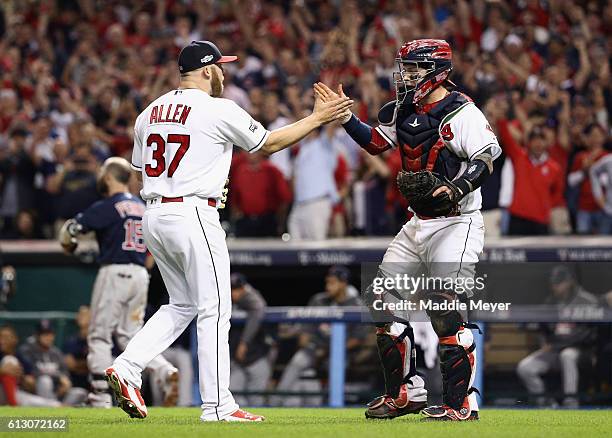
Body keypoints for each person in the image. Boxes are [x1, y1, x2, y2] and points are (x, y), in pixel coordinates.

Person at [104, 40, 352, 422]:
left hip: (154, 213)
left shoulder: (149, 112)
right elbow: (269, 144)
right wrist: (317, 118)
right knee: (215, 308)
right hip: (193, 213)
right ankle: (219, 406)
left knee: (181, 304)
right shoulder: (217, 108)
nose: (223, 72)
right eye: (220, 66)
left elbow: (140, 167)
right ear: (206, 70)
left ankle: (127, 367)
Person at [316, 39, 501, 421]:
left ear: (436, 70)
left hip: (457, 220)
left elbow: (487, 157)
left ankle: (462, 402)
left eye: (413, 68)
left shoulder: (461, 110)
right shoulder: (403, 108)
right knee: (381, 301)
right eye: (405, 68)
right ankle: (405, 393)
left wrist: (456, 186)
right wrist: (346, 118)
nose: (406, 75)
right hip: (418, 221)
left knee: (444, 308)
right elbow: (376, 144)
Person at [58, 157, 178, 409]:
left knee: (99, 335)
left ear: (110, 177)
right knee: (130, 336)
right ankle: (165, 371)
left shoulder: (107, 206)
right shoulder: (144, 207)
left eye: (104, 173)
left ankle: (99, 396)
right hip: (140, 275)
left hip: (115, 271)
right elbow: (156, 251)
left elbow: (71, 231)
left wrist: (69, 239)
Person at [273, 266, 367, 407]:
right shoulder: (319, 300)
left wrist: (330, 351)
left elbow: (358, 339)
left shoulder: (356, 305)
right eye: (327, 282)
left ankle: (332, 405)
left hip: (341, 352)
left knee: (336, 364)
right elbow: (306, 332)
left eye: (332, 283)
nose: (328, 287)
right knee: (298, 362)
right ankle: (276, 403)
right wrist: (312, 347)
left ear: (343, 283)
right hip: (315, 349)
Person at [517, 266, 598, 407]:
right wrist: (546, 341)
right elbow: (543, 328)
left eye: (559, 283)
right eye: (554, 283)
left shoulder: (587, 301)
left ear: (570, 282)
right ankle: (545, 403)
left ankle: (570, 403)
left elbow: (587, 335)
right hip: (555, 350)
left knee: (567, 355)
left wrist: (556, 344)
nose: (556, 286)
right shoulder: (551, 302)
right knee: (525, 367)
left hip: (581, 352)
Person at [18, 320, 86, 405]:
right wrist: (58, 377)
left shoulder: (56, 353)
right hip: (37, 392)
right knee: (45, 380)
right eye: (44, 334)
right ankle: (52, 407)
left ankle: (58, 408)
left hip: (57, 392)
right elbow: (32, 372)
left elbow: (65, 373)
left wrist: (65, 384)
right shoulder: (27, 351)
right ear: (37, 336)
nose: (48, 337)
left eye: (50, 334)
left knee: (80, 392)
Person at [229, 273, 271, 407]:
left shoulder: (252, 298)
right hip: (237, 362)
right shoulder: (222, 300)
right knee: (232, 396)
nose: (233, 293)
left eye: (236, 289)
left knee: (256, 401)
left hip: (257, 359)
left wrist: (244, 343)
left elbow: (259, 306)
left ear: (243, 288)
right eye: (230, 289)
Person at [568, 124, 609, 234]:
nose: (595, 139)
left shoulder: (608, 157)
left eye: (598, 135)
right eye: (592, 135)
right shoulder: (580, 156)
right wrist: (584, 171)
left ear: (603, 137)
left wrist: (594, 170)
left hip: (604, 209)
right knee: (581, 244)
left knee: (604, 244)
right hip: (584, 208)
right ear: (587, 138)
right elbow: (571, 181)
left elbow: (608, 182)